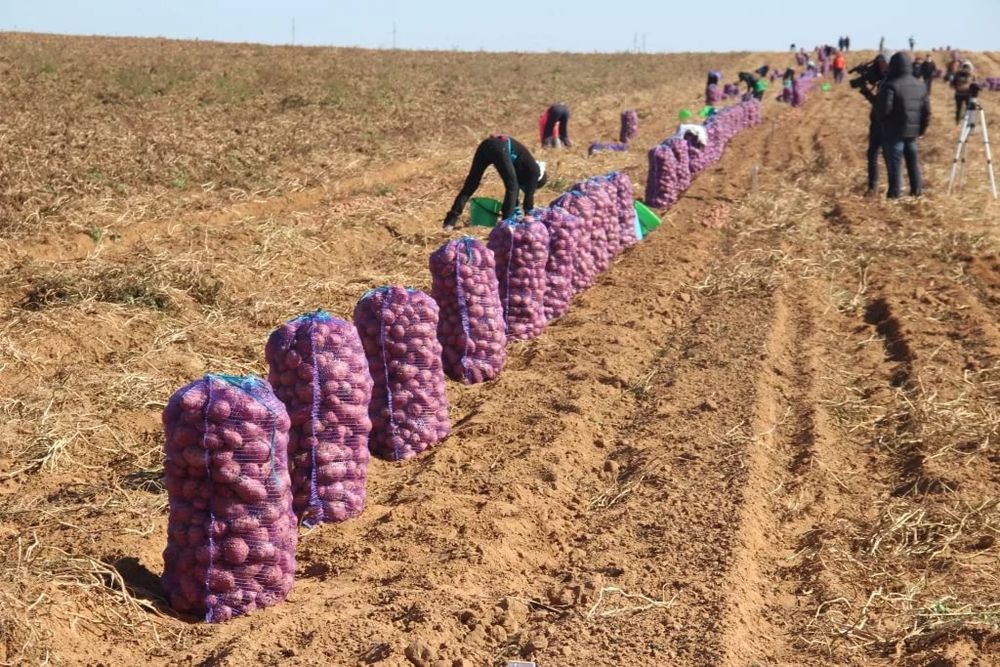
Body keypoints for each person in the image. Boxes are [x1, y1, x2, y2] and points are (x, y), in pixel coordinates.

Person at [442, 135, 547, 229]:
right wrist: (531, 217)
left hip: (486, 145)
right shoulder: (535, 172)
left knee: (471, 184)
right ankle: (507, 225)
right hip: (500, 146)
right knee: (512, 186)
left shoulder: (523, 167)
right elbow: (528, 199)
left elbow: (513, 196)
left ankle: (450, 222)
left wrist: (516, 209)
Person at [876, 51, 931, 198]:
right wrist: (921, 130)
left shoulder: (890, 85)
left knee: (895, 165)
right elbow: (926, 112)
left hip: (894, 132)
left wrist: (884, 123)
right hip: (912, 133)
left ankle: (894, 194)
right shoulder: (920, 86)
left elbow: (885, 109)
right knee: (913, 163)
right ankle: (917, 191)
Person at [858, 54, 890, 196]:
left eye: (883, 62)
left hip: (887, 123)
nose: (880, 65)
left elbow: (880, 104)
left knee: (888, 155)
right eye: (879, 62)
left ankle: (893, 188)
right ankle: (873, 187)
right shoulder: (883, 78)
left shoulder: (890, 81)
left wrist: (865, 92)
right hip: (877, 121)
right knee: (872, 153)